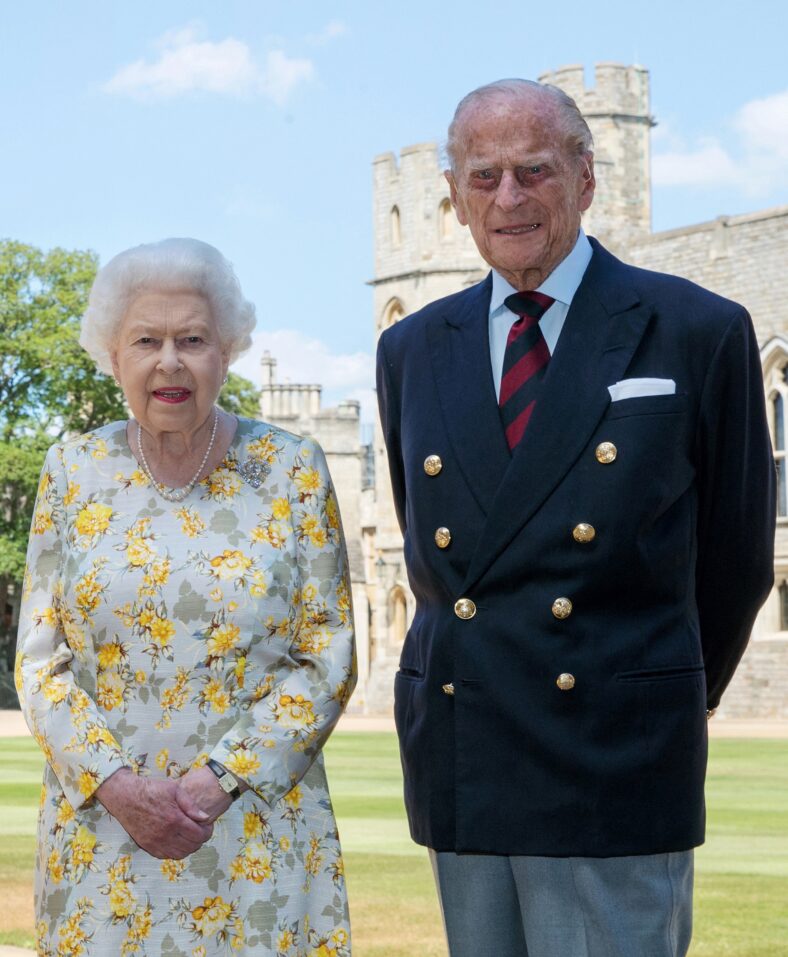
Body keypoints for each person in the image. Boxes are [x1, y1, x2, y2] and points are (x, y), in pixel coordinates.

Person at [376, 79, 775, 957]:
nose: (508, 198)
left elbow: (740, 559)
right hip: (467, 754)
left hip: (615, 761)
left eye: (534, 171)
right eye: (483, 177)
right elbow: (434, 554)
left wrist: (651, 698)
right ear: (454, 196)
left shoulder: (696, 330)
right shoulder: (410, 347)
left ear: (587, 180)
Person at [16, 238, 355, 956]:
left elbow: (328, 654)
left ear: (226, 351)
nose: (169, 361)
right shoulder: (71, 471)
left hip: (254, 836)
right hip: (104, 842)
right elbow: (41, 662)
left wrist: (217, 782)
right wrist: (119, 788)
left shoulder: (293, 470)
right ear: (113, 356)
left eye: (192, 339)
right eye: (146, 340)